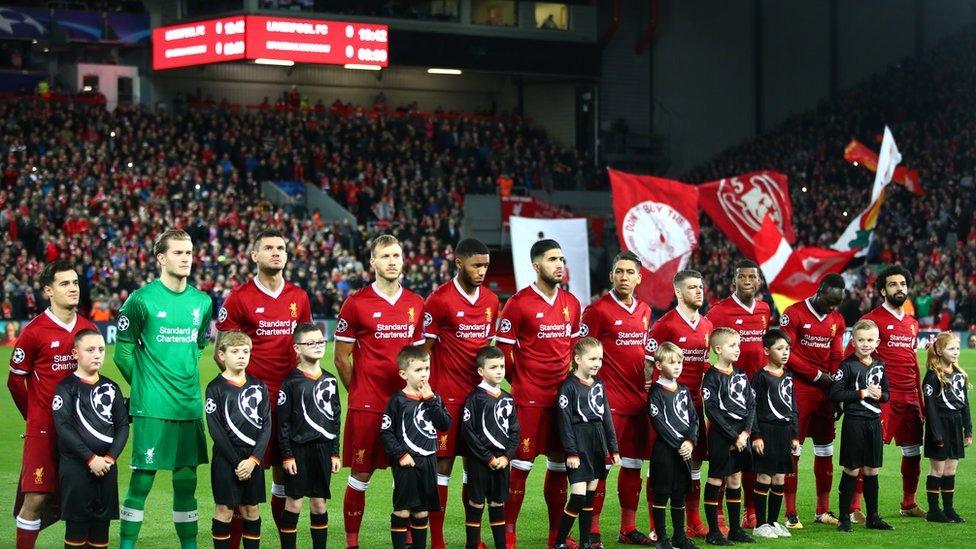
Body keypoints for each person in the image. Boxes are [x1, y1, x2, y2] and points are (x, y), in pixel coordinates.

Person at [116, 229, 214, 549]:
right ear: (161, 258)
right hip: (153, 407)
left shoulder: (202, 302)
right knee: (142, 480)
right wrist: (148, 387)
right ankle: (127, 545)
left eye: (189, 253)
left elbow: (199, 347)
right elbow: (122, 353)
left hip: (188, 405)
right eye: (178, 253)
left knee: (186, 481)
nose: (186, 258)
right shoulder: (140, 300)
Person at [214, 228, 312, 543]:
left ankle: (285, 540)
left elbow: (307, 346)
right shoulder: (240, 297)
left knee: (287, 473)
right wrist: (240, 391)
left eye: (281, 248)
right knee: (243, 477)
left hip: (290, 404)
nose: (276, 252)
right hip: (251, 407)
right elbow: (221, 350)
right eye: (268, 247)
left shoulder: (299, 296)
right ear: (254, 255)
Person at [334, 234, 425, 549]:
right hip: (368, 406)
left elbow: (419, 358)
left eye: (396, 255)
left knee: (410, 474)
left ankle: (408, 538)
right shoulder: (356, 302)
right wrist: (358, 391)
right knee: (360, 475)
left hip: (407, 408)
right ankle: (352, 542)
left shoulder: (416, 303)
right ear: (372, 262)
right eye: (385, 256)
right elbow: (341, 357)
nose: (392, 261)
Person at [496, 239, 582, 548]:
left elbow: (573, 351)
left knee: (560, 466)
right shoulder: (518, 304)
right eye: (551, 259)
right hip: (528, 399)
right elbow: (502, 353)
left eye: (561, 258)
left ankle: (555, 536)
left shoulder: (572, 304)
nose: (559, 264)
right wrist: (520, 381)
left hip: (562, 400)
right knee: (520, 466)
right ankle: (507, 533)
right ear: (536, 266)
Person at [8, 260, 98, 549]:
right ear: (48, 290)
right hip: (45, 429)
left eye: (75, 282)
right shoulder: (34, 331)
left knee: (82, 497)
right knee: (36, 498)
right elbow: (15, 381)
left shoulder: (87, 328)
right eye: (64, 283)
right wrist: (34, 416)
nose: (73, 289)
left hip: (81, 430)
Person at [423, 238, 499, 549]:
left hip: (478, 401)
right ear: (459, 264)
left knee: (476, 469)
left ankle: (474, 540)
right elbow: (423, 353)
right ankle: (438, 542)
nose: (482, 271)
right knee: (442, 469)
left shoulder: (492, 301)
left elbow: (489, 352)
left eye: (485, 266)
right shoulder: (438, 300)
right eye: (476, 265)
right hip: (446, 400)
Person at [580, 251, 655, 545]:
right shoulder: (597, 311)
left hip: (638, 401)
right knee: (601, 470)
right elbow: (581, 354)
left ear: (639, 277)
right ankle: (593, 531)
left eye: (629, 272)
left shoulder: (646, 310)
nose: (624, 277)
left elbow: (644, 353)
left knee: (634, 468)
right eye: (619, 271)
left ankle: (627, 529)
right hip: (607, 404)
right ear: (611, 275)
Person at [850, 265, 925, 519]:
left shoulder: (913, 324)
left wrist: (920, 398)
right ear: (883, 290)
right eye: (893, 284)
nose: (899, 288)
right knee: (867, 452)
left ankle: (908, 503)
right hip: (882, 397)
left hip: (910, 396)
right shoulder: (872, 320)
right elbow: (858, 357)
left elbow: (913, 361)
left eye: (902, 284)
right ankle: (854, 508)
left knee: (913, 450)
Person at [643, 269, 713, 538]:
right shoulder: (665, 325)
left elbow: (705, 364)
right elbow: (649, 361)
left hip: (693, 405)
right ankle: (654, 526)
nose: (699, 291)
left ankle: (693, 522)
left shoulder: (707, 326)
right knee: (660, 463)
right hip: (666, 406)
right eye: (693, 287)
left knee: (694, 462)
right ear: (678, 292)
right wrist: (652, 394)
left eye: (701, 287)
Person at [705, 260, 771, 529]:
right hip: (725, 394)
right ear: (734, 281)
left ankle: (750, 511)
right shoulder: (719, 311)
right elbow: (706, 339)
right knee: (724, 460)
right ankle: (717, 513)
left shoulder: (765, 309)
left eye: (751, 277)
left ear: (758, 282)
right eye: (742, 276)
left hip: (755, 395)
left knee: (751, 455)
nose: (747, 281)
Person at [777, 274, 845, 528]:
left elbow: (837, 355)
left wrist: (836, 388)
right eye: (829, 301)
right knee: (794, 450)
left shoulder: (837, 319)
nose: (832, 308)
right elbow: (787, 353)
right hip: (798, 389)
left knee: (826, 449)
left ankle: (823, 510)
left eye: (837, 303)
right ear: (820, 291)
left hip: (826, 393)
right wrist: (817, 375)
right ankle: (790, 513)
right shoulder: (793, 313)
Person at [53, 329, 129, 549]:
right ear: (75, 353)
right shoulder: (66, 387)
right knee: (76, 528)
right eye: (90, 350)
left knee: (101, 528)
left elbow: (122, 425)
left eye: (101, 350)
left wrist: (110, 458)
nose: (97, 355)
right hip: (76, 468)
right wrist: (90, 458)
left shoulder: (111, 387)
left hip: (106, 468)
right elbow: (63, 427)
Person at [380, 346, 452, 549]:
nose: (424, 374)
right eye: (418, 370)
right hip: (407, 462)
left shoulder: (433, 397)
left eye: (427, 369)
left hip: (429, 460)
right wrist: (400, 455)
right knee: (403, 510)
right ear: (403, 374)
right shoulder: (398, 401)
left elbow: (445, 424)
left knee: (422, 512)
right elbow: (386, 432)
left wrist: (430, 400)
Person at [277, 323, 342, 549]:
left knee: (319, 503)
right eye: (310, 343)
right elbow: (283, 423)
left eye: (320, 341)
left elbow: (335, 418)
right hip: (298, 450)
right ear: (297, 348)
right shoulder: (291, 382)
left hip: (323, 450)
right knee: (294, 503)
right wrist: (286, 455)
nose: (317, 346)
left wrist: (335, 452)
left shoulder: (330, 380)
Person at [204, 332, 271, 549]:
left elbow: (266, 426)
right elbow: (216, 431)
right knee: (224, 510)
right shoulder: (215, 388)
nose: (241, 356)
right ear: (221, 355)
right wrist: (237, 463)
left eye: (245, 351)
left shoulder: (259, 386)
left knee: (251, 509)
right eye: (235, 352)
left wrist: (253, 460)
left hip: (253, 460)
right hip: (226, 460)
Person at [553, 338, 621, 548]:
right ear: (577, 359)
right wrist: (571, 452)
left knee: (590, 497)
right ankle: (559, 542)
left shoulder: (599, 384)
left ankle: (585, 543)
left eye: (600, 359)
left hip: (597, 440)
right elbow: (564, 423)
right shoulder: (568, 387)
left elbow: (606, 417)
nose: (597, 363)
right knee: (578, 498)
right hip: (579, 442)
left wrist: (613, 448)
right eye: (592, 358)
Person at [829, 319, 892, 532]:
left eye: (870, 340)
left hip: (874, 422)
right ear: (853, 342)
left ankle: (873, 516)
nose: (866, 344)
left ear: (877, 342)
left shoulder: (880, 365)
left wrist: (879, 395)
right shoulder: (847, 366)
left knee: (872, 470)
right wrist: (861, 393)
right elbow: (835, 393)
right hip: (854, 422)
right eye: (861, 340)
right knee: (852, 469)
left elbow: (886, 394)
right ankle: (844, 518)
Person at [701, 328, 756, 545]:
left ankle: (734, 530)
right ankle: (713, 532)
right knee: (716, 478)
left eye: (738, 345)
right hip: (722, 436)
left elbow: (751, 405)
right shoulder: (712, 377)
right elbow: (711, 411)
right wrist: (734, 437)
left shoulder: (741, 374)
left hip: (741, 435)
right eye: (733, 345)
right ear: (718, 349)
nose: (738, 349)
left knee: (735, 479)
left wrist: (746, 433)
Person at [461, 346, 520, 549]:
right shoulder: (474, 398)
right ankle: (472, 544)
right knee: (476, 503)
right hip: (480, 461)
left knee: (498, 504)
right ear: (481, 371)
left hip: (502, 461)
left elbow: (514, 431)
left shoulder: (508, 398)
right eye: (493, 367)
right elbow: (469, 432)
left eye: (502, 366)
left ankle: (500, 545)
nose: (499, 371)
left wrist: (506, 457)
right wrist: (488, 458)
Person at [647, 342, 700, 549]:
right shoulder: (656, 392)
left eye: (679, 362)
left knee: (679, 493)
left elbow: (694, 420)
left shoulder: (684, 390)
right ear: (659, 365)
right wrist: (680, 443)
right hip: (665, 452)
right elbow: (659, 423)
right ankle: (661, 538)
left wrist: (690, 441)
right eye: (672, 363)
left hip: (684, 451)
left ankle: (679, 537)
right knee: (662, 494)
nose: (677, 366)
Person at [749, 330, 798, 539]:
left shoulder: (788, 375)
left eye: (787, 349)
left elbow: (792, 406)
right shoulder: (761, 377)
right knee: (765, 476)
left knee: (780, 477)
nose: (785, 353)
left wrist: (795, 435)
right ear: (767, 351)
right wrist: (756, 435)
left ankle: (773, 521)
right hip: (767, 431)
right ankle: (759, 524)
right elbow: (753, 408)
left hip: (784, 432)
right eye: (779, 349)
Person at [921, 332, 971, 523]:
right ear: (940, 351)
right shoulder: (933, 377)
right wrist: (936, 434)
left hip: (955, 424)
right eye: (951, 348)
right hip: (939, 425)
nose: (956, 352)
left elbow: (964, 405)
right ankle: (934, 511)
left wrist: (968, 430)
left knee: (950, 470)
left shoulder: (959, 375)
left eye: (957, 348)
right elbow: (930, 409)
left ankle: (949, 509)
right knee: (938, 470)